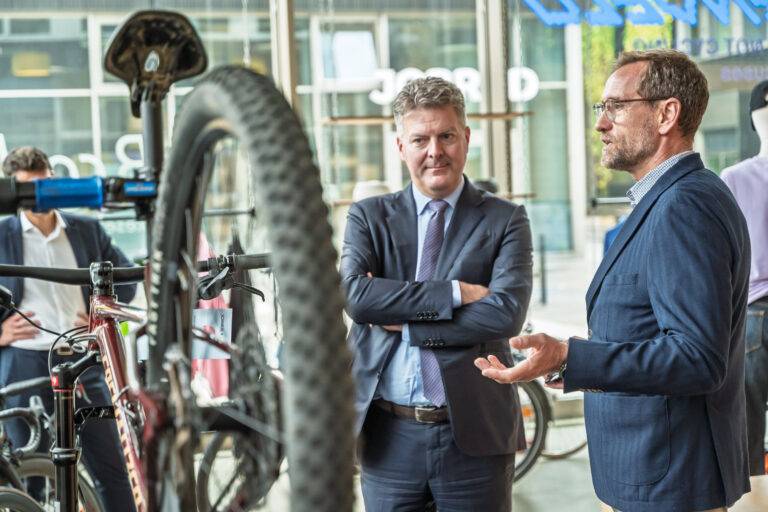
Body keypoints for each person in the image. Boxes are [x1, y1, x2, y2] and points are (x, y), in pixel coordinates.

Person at [475, 50, 751, 512]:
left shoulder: (684, 205)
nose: (601, 123)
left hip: (668, 481)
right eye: (601, 108)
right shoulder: (670, 198)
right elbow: (646, 331)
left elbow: (697, 358)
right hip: (650, 473)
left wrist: (570, 355)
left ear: (667, 114)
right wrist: (570, 359)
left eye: (616, 106)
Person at [340, 76, 533, 512]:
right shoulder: (368, 217)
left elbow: (504, 314)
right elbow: (358, 298)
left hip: (475, 435)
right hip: (387, 436)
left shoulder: (506, 220)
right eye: (420, 139)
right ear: (400, 146)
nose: (435, 151)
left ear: (466, 137)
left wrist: (406, 323)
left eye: (446, 135)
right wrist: (454, 293)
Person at [0, 147, 137, 512]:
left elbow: (126, 279)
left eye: (43, 185)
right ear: (12, 191)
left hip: (85, 359)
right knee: (30, 473)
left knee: (113, 470)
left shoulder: (86, 229)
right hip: (25, 365)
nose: (37, 196)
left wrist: (101, 314)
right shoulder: (1, 234)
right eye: (28, 189)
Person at [720, 79, 768, 476]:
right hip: (750, 314)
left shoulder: (732, 178)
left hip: (751, 313)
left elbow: (722, 256)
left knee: (749, 422)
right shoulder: (730, 179)